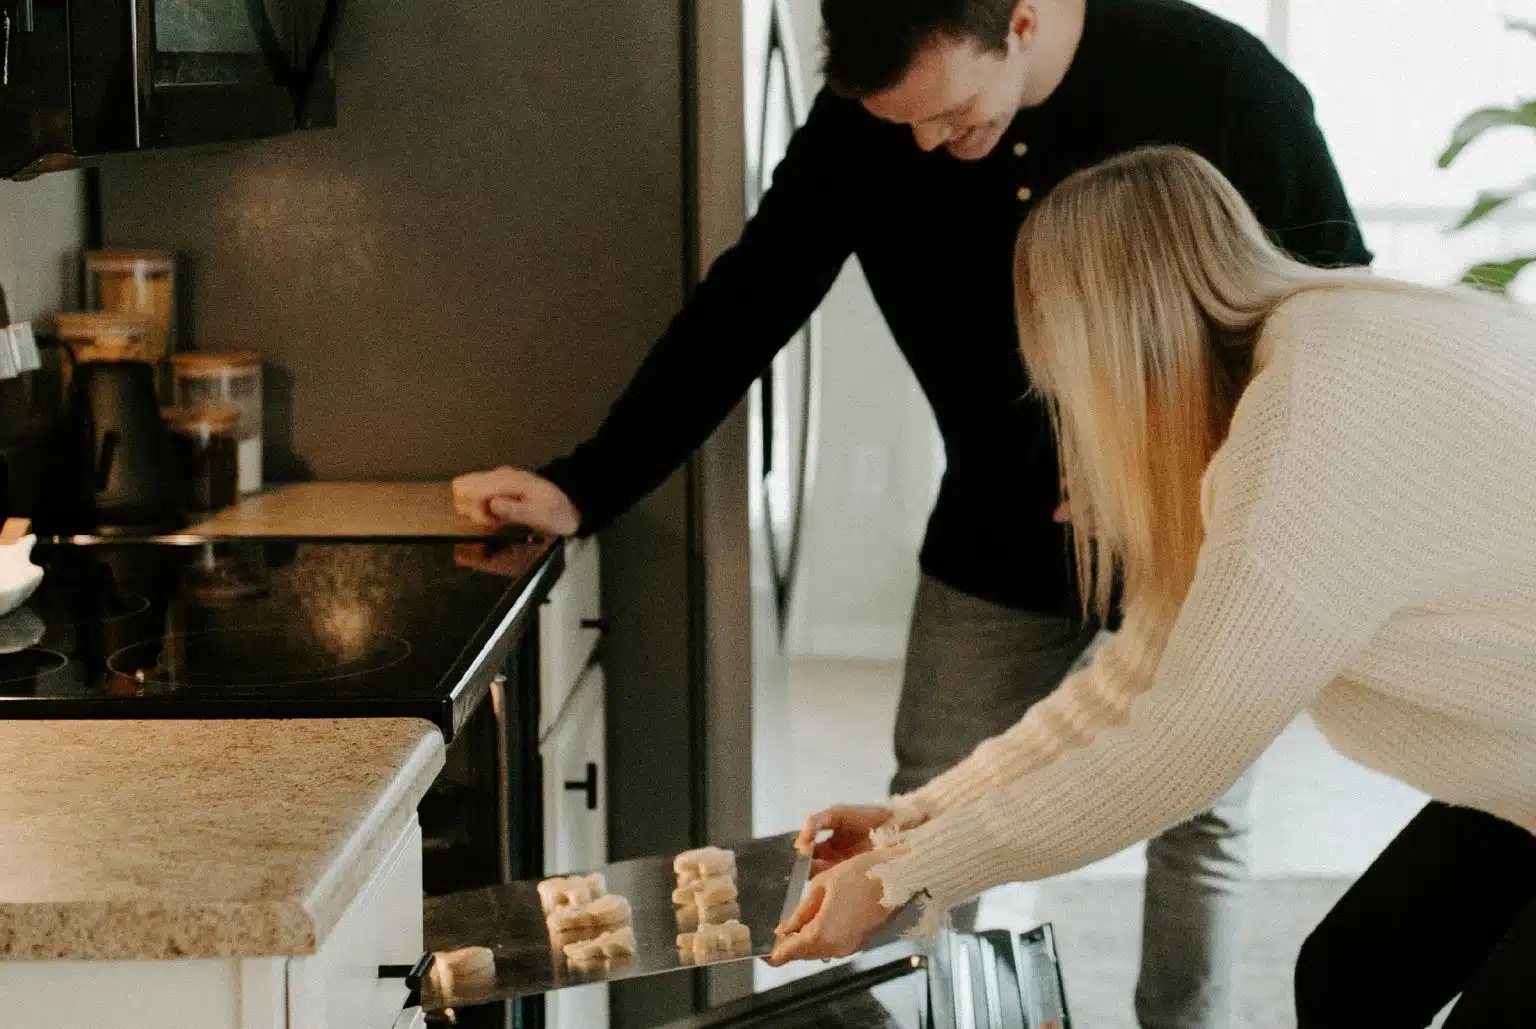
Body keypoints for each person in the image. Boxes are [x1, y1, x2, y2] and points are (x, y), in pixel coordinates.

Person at [453, 2, 1371, 1024]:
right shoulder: (877, 122)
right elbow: (746, 304)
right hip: (995, 530)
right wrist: (590, 482)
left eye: (952, 114)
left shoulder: (1222, 82)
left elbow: (1328, 313)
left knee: (1199, 816)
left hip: (1198, 527)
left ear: (1020, 20)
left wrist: (1213, 466)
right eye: (908, 128)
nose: (930, 146)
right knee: (929, 808)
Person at [768, 145, 1536, 1028]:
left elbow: (1176, 748)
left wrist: (911, 873)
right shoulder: (1311, 348)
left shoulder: (1309, 427)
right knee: (1350, 974)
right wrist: (916, 821)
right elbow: (1130, 687)